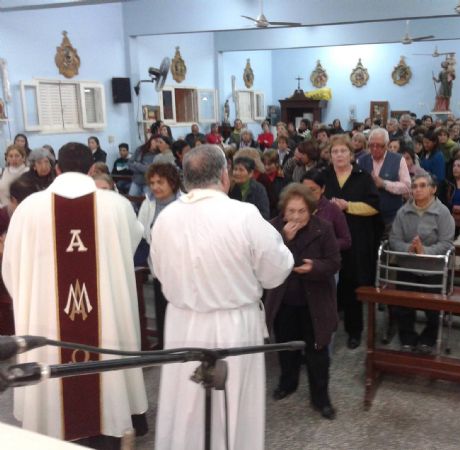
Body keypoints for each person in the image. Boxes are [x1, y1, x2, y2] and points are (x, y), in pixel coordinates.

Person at [2, 142, 149, 446]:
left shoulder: (29, 208)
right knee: (106, 362)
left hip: (47, 324)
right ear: (92, 168)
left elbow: (10, 269)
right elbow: (131, 247)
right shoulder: (117, 206)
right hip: (103, 322)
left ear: (56, 168)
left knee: (51, 379)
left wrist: (33, 298)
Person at [150, 144, 294, 450]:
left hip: (182, 324)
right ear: (224, 176)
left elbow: (158, 271)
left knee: (185, 403)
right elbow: (276, 271)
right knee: (232, 404)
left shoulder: (166, 217)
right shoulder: (243, 215)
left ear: (185, 180)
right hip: (233, 324)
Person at [265, 183, 341, 419]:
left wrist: (314, 267)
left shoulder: (324, 228)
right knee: (287, 348)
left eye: (301, 211)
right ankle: (287, 384)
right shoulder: (272, 228)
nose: (296, 216)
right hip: (284, 300)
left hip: (315, 302)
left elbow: (334, 262)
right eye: (291, 211)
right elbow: (266, 261)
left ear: (312, 210)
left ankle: (321, 398)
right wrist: (285, 240)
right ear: (283, 211)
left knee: (317, 352)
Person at [322, 134, 381, 349]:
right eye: (335, 151)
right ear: (330, 155)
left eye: (343, 151)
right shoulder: (323, 176)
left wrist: (348, 206)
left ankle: (354, 330)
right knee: (328, 286)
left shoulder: (363, 177)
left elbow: (374, 206)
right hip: (328, 239)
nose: (339, 155)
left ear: (351, 154)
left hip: (356, 237)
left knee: (352, 284)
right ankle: (327, 328)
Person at [389, 173, 455, 353]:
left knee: (432, 309)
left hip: (433, 269)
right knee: (404, 307)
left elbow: (447, 243)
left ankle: (429, 337)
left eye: (422, 185)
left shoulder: (442, 213)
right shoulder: (403, 211)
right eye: (414, 186)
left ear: (433, 189)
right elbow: (394, 239)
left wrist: (424, 251)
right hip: (408, 266)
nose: (417, 189)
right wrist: (409, 248)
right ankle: (407, 336)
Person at [137, 163, 182, 349]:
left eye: (160, 182)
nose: (155, 187)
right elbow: (141, 229)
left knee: (180, 313)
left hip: (181, 269)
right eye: (152, 182)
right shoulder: (148, 203)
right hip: (159, 268)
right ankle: (166, 349)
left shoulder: (184, 203)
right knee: (162, 311)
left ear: (172, 183)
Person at [357, 127, 411, 236]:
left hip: (391, 217)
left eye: (379, 145)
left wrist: (384, 184)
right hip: (366, 217)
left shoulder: (398, 159)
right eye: (371, 145)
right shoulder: (361, 160)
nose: (375, 148)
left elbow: (406, 186)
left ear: (387, 145)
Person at [302, 169, 352, 252]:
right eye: (304, 190)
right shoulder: (296, 207)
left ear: (323, 189)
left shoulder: (333, 209)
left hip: (326, 259)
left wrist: (326, 244)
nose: (308, 194)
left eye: (313, 190)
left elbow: (346, 241)